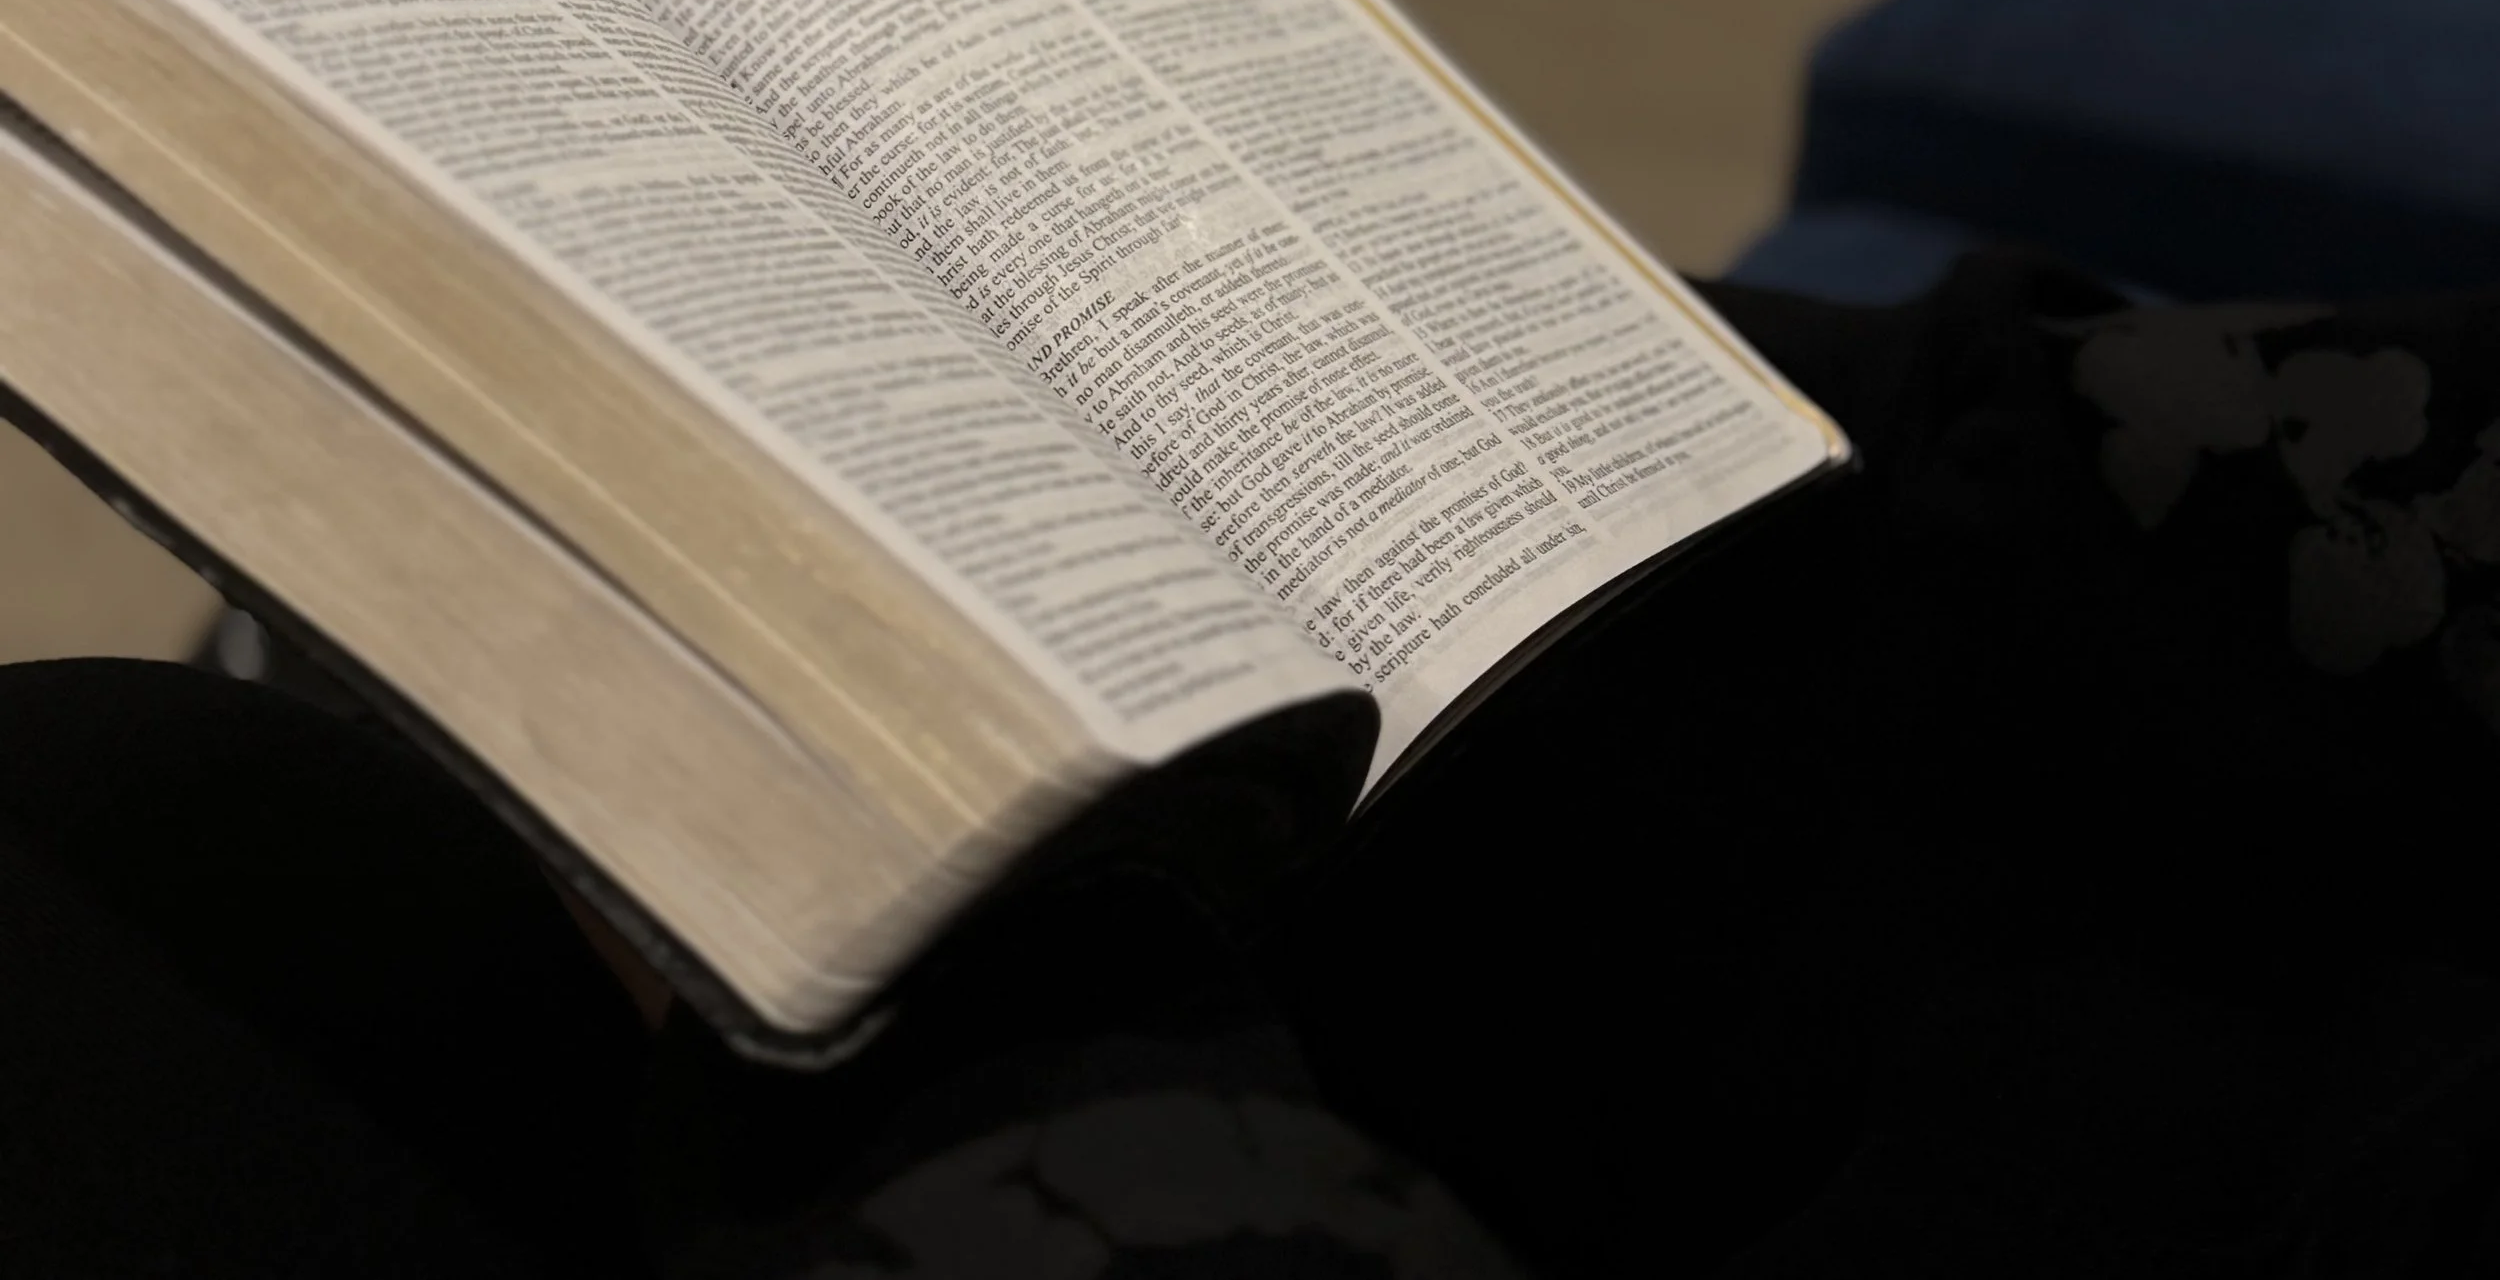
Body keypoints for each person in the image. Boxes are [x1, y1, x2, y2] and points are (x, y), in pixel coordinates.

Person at [11, 252, 2500, 1274]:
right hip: (2042, 867)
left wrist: (932, 895)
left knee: (103, 901)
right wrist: (1594, 370)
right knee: (155, 802)